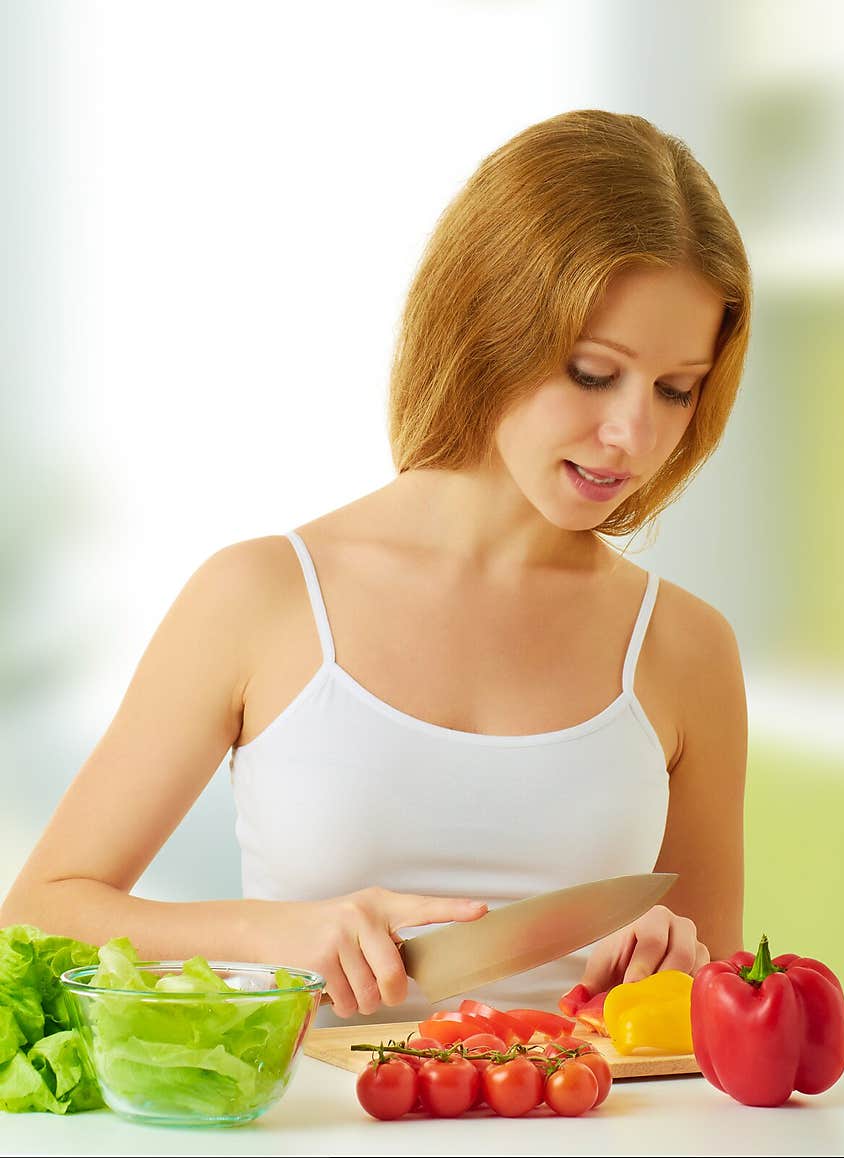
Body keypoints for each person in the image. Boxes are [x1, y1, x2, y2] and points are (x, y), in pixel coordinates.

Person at [1, 109, 750, 1029]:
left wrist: (677, 966)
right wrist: (274, 935)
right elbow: (39, 916)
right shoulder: (262, 598)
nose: (634, 433)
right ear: (488, 323)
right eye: (594, 372)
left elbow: (716, 1013)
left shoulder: (686, 648)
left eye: (677, 389)